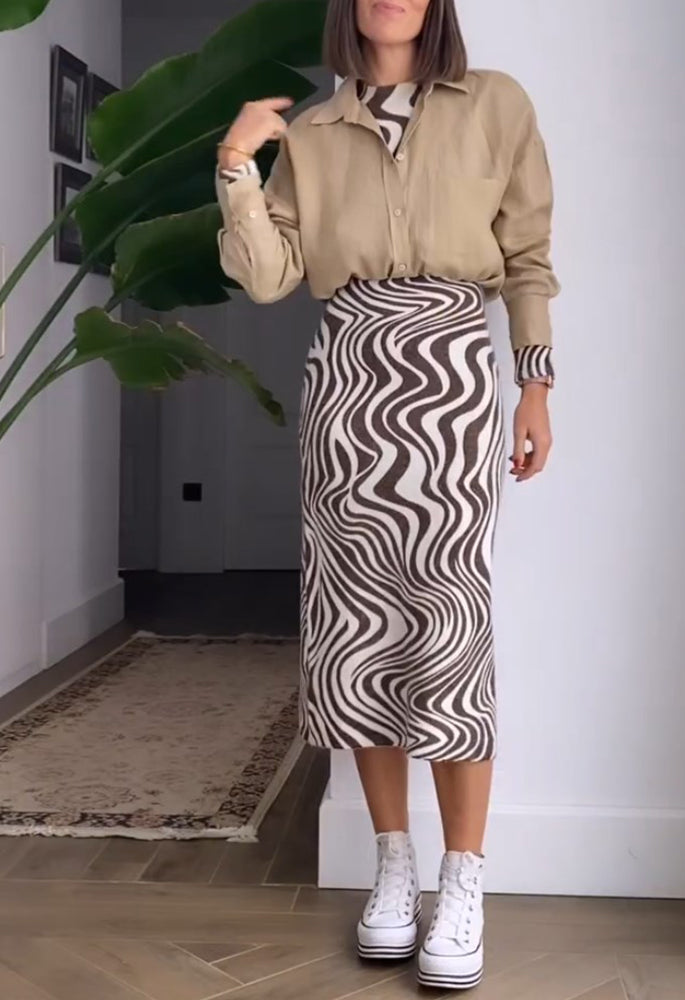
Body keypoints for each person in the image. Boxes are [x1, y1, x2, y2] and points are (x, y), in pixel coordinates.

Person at [214, 0, 560, 990]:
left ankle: (464, 880)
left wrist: (534, 383)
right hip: (349, 390)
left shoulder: (494, 104)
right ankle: (393, 867)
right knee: (357, 628)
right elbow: (270, 277)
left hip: (452, 380)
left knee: (448, 626)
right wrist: (237, 166)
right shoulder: (315, 132)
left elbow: (528, 257)